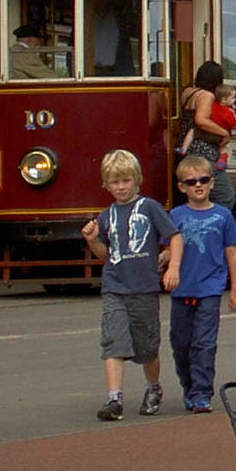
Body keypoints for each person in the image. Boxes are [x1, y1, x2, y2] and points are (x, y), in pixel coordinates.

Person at [81, 149, 181, 420]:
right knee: (113, 341)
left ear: (136, 180)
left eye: (125, 181)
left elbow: (174, 237)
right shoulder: (107, 215)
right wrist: (92, 240)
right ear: (107, 184)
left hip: (144, 288)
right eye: (115, 182)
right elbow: (106, 255)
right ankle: (114, 398)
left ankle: (153, 387)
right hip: (115, 287)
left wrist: (172, 267)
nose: (121, 187)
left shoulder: (149, 207)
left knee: (147, 347)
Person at [168, 156, 236, 414]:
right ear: (182, 187)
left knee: (204, 343)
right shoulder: (176, 215)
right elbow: (170, 247)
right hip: (181, 290)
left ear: (212, 183)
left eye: (204, 180)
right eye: (192, 182)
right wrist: (164, 263)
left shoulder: (222, 216)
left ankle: (202, 392)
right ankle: (188, 386)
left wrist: (233, 289)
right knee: (180, 344)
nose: (198, 185)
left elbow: (231, 252)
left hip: (210, 289)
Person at [178, 62, 235, 210]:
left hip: (188, 149)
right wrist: (223, 133)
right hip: (204, 151)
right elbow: (201, 120)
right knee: (226, 197)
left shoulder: (188, 92)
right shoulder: (207, 95)